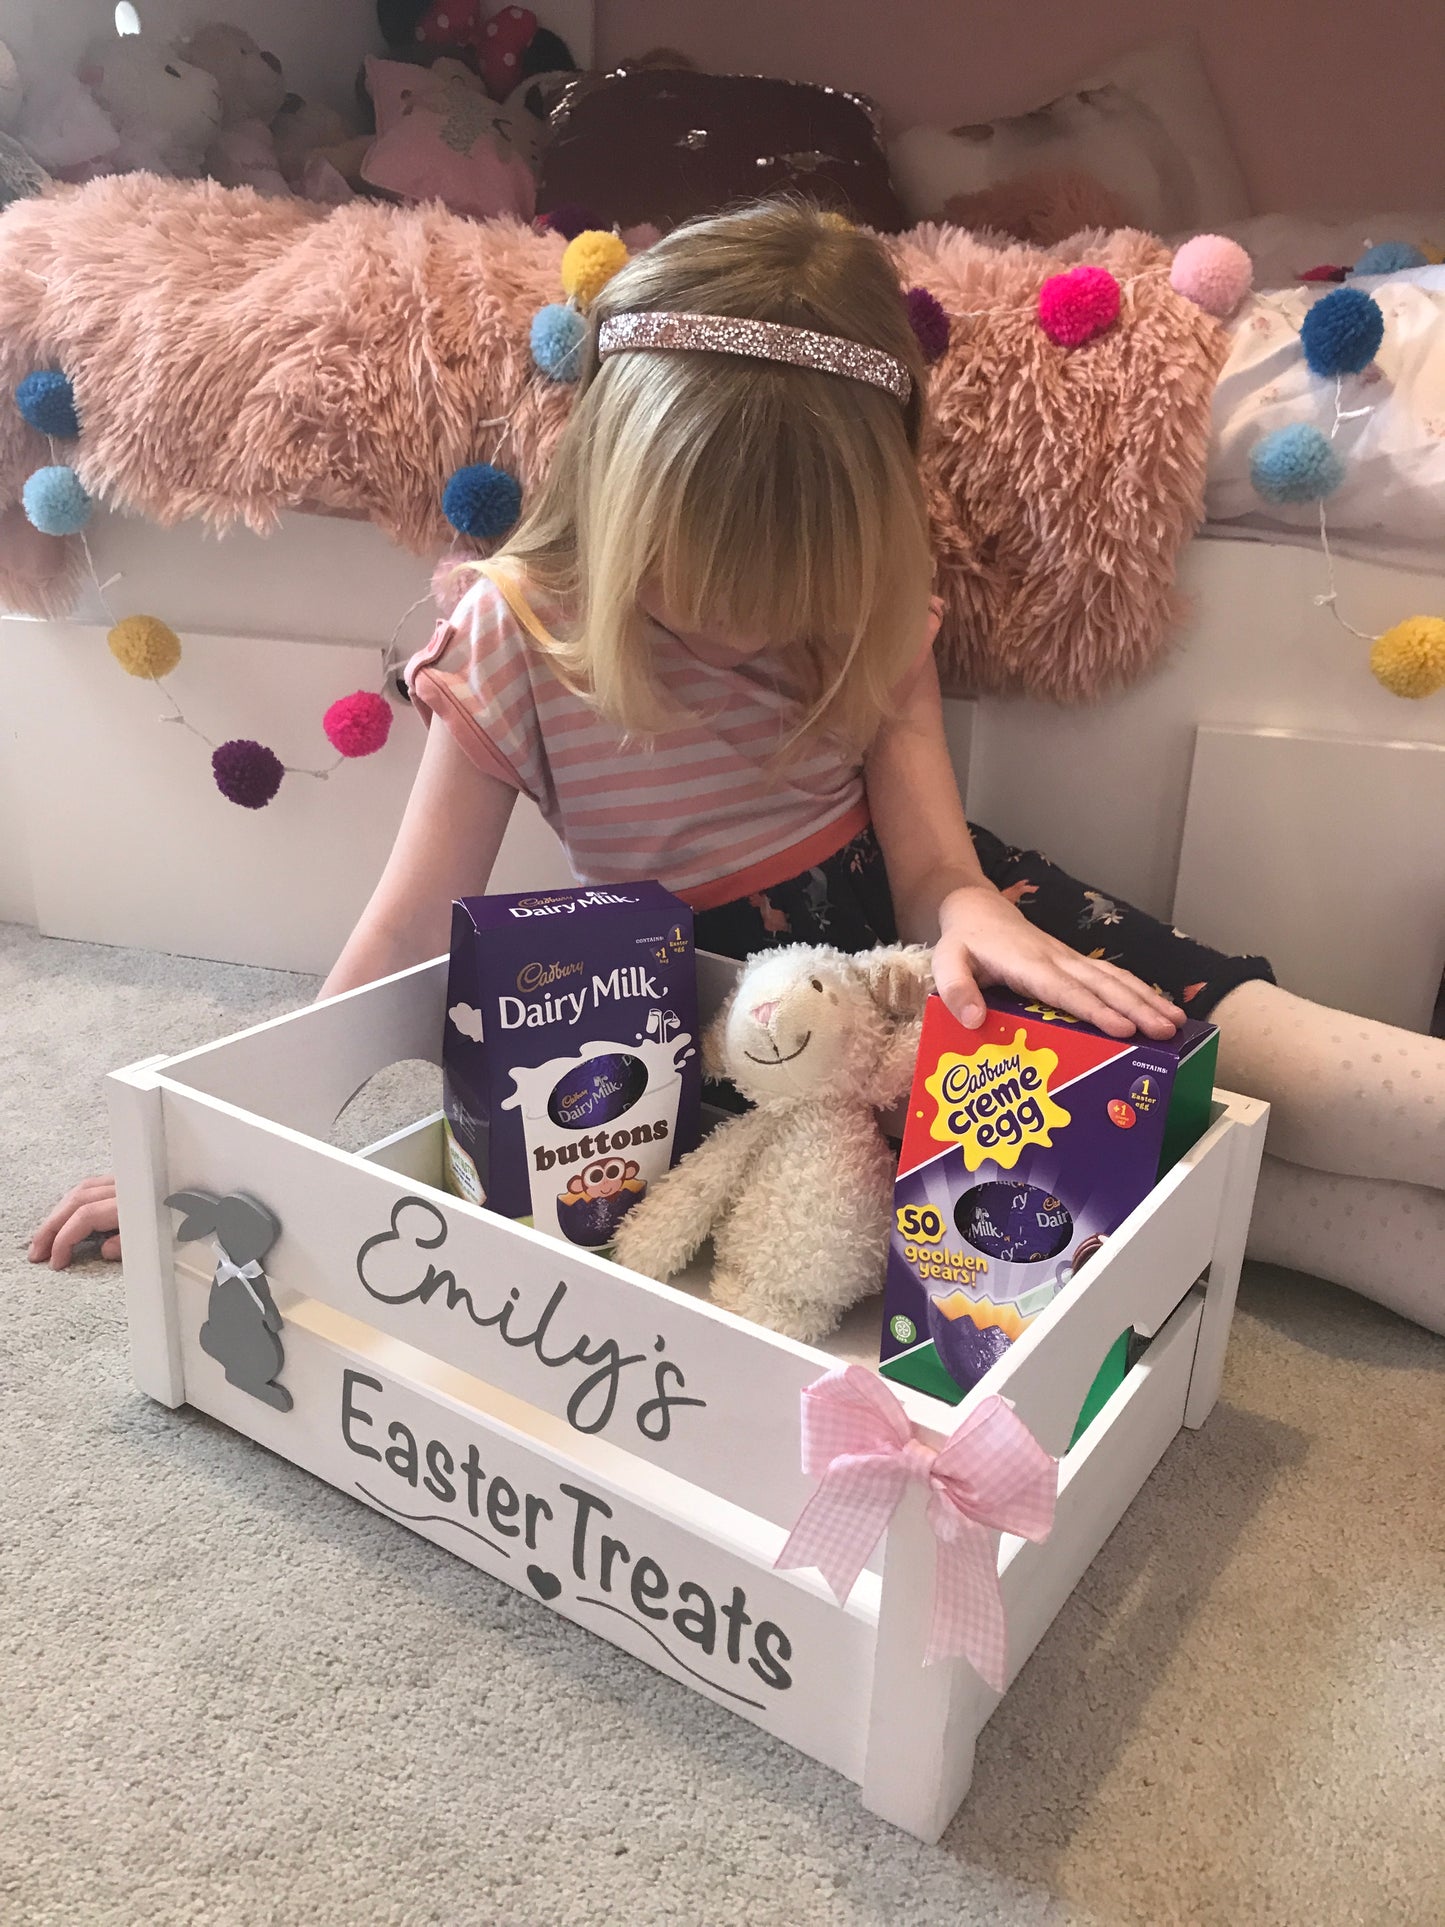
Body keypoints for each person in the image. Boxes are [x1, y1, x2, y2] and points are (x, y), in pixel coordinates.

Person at [30, 203, 1443, 1330]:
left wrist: (974, 913)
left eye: (802, 587)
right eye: (707, 579)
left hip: (930, 930)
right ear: (615, 490)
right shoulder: (515, 633)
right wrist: (213, 1137)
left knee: (1298, 1070)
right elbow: (405, 933)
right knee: (1196, 1185)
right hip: (739, 1033)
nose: (756, 624)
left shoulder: (879, 596)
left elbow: (935, 862)